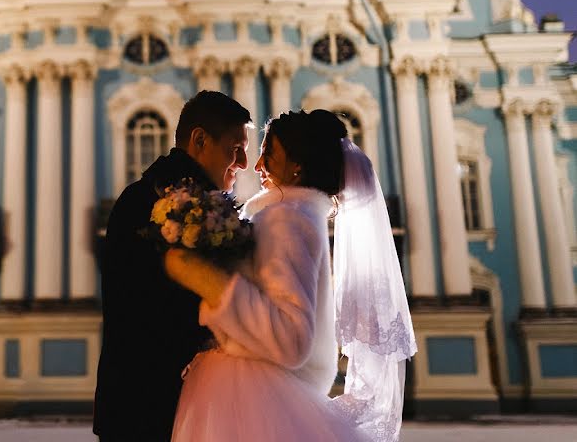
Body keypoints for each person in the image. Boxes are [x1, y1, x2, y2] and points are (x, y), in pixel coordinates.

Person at [166, 110, 416, 442]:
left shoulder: (286, 220)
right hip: (257, 389)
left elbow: (292, 337)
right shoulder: (295, 216)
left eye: (268, 153)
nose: (256, 166)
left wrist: (212, 285)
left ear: (296, 165)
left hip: (247, 395)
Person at [93, 91, 252, 442]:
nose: (242, 162)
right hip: (151, 404)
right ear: (199, 140)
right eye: (235, 148)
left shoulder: (157, 195)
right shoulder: (165, 203)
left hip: (152, 402)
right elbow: (153, 308)